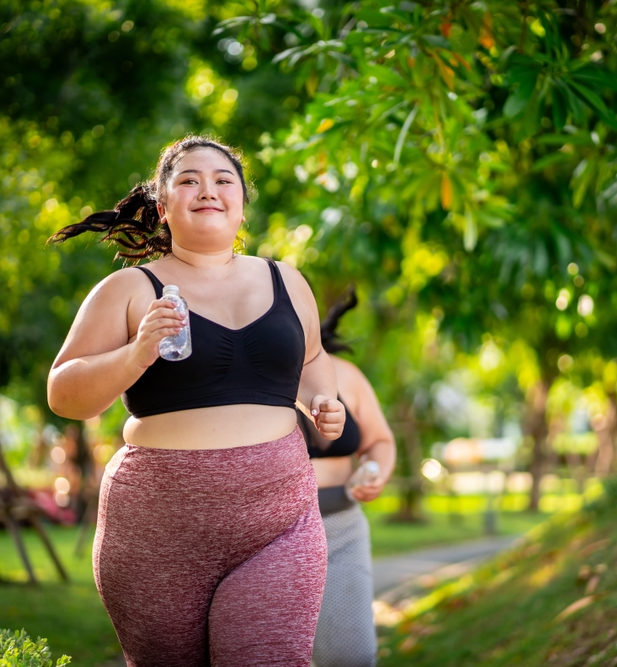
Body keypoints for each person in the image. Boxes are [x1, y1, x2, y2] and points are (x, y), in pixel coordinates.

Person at [46, 135, 345, 667]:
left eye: (222, 180)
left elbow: (314, 359)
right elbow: (64, 394)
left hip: (278, 521)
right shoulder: (129, 289)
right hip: (157, 532)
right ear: (162, 207)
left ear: (242, 202)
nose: (207, 190)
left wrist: (324, 400)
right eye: (188, 180)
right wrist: (136, 355)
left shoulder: (287, 281)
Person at [298, 287, 396, 667]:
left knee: (350, 657)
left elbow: (379, 440)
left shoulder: (346, 374)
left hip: (339, 528)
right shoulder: (240, 372)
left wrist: (375, 470)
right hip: (261, 534)